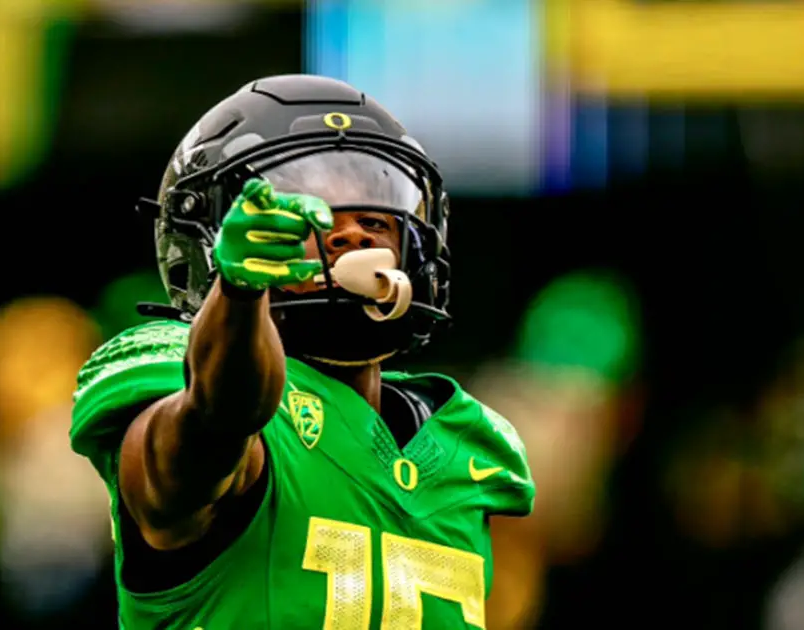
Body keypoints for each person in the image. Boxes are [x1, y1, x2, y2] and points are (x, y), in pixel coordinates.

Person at [70, 74, 534, 629]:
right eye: (311, 210)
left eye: (374, 215)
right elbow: (214, 426)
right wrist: (239, 297)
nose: (353, 234)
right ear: (209, 238)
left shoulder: (470, 443)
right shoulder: (189, 380)